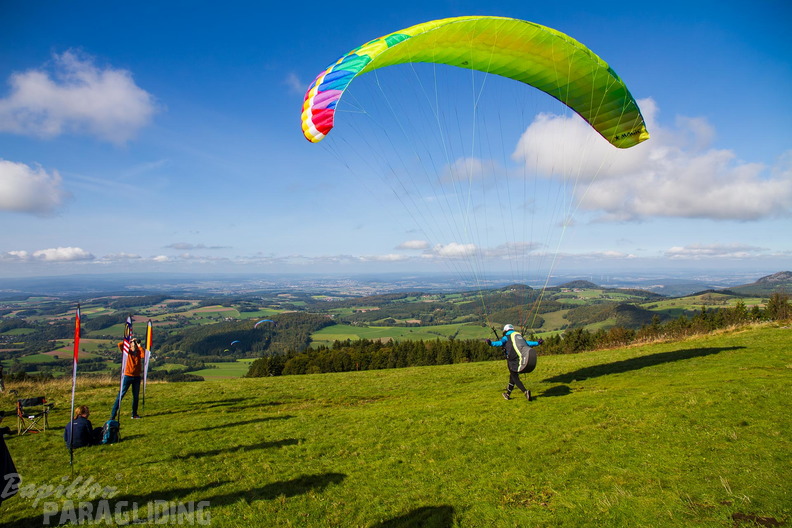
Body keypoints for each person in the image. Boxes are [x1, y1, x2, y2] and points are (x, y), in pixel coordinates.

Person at [487, 324, 543, 402]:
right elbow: (527, 343)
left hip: (511, 360)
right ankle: (507, 395)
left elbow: (500, 343)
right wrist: (538, 343)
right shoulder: (518, 337)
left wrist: (490, 343)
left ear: (505, 330)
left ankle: (525, 391)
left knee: (514, 377)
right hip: (520, 358)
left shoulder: (506, 337)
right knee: (512, 376)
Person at [111, 337, 145, 419]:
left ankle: (134, 414)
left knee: (136, 397)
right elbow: (119, 345)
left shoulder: (138, 352)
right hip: (127, 376)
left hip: (136, 377)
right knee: (121, 395)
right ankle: (112, 416)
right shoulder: (127, 351)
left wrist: (139, 346)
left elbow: (143, 355)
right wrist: (129, 341)